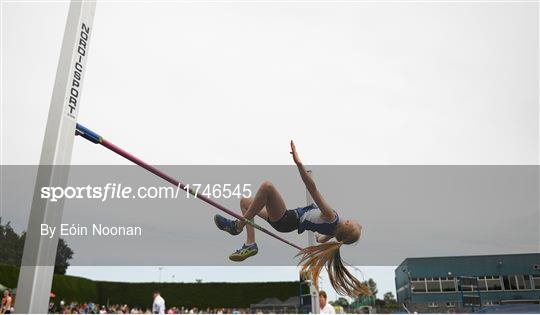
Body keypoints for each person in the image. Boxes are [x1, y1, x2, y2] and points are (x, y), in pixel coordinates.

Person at [214, 141, 370, 297]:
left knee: (267, 187)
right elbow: (321, 240)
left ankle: (237, 226)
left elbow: (312, 189)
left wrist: (299, 164)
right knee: (245, 203)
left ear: (348, 222)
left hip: (287, 219)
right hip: (284, 222)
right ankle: (250, 244)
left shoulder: (332, 217)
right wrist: (316, 236)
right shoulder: (334, 233)